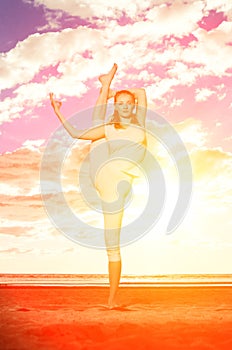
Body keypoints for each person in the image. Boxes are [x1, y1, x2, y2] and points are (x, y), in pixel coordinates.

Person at [50, 63, 147, 309]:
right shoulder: (110, 129)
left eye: (128, 102)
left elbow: (143, 92)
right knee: (97, 127)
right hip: (103, 174)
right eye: (119, 103)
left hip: (119, 184)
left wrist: (115, 87)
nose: (124, 105)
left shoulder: (140, 124)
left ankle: (112, 298)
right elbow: (74, 133)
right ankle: (104, 86)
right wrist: (57, 111)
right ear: (115, 107)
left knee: (112, 245)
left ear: (133, 105)